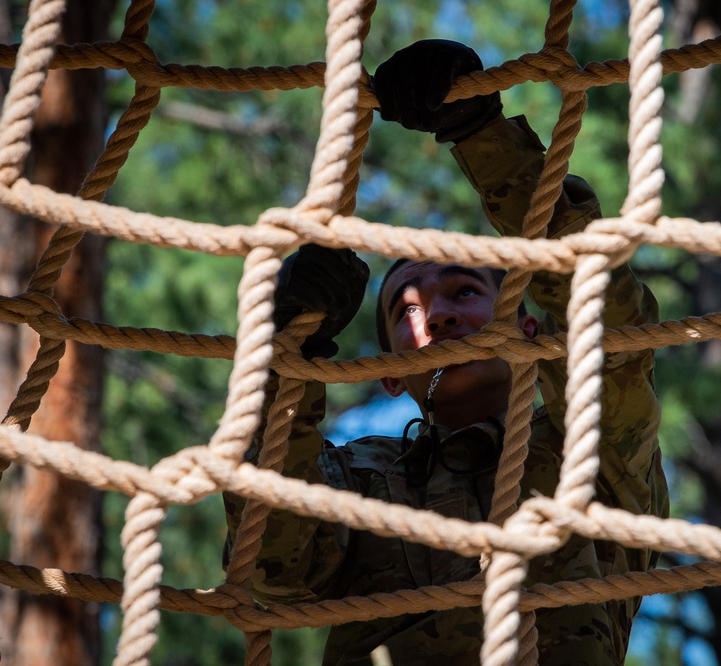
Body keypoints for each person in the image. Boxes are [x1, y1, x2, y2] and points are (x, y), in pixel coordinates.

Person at [223, 40, 669, 666]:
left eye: (463, 289)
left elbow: (602, 314)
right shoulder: (359, 480)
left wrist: (480, 132)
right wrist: (288, 348)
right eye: (406, 310)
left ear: (528, 329)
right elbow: (274, 565)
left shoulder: (594, 452)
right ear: (389, 379)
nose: (436, 312)